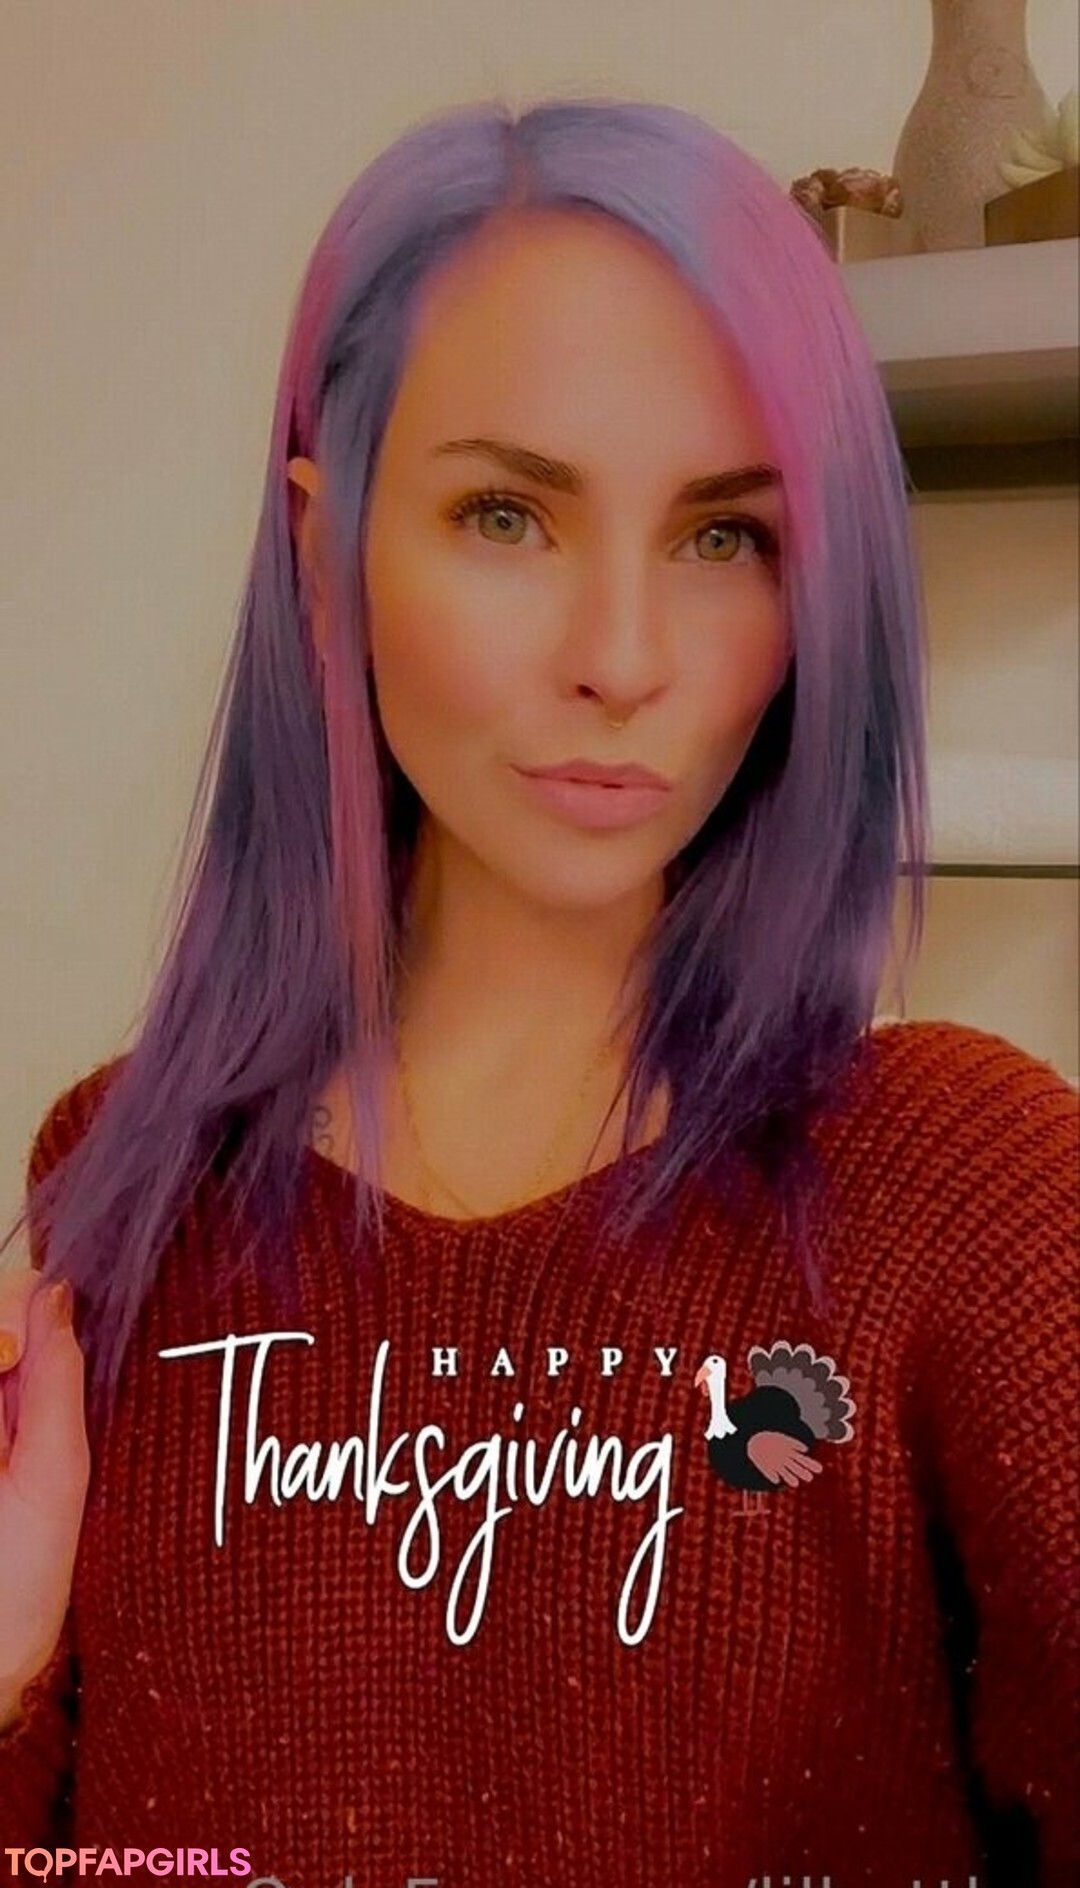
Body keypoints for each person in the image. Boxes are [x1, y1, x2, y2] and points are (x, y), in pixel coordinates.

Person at [0, 94, 1076, 1888]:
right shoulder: (121, 1186)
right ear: (326, 556)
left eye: (725, 538)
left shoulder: (974, 1196)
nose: (621, 660)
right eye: (508, 514)